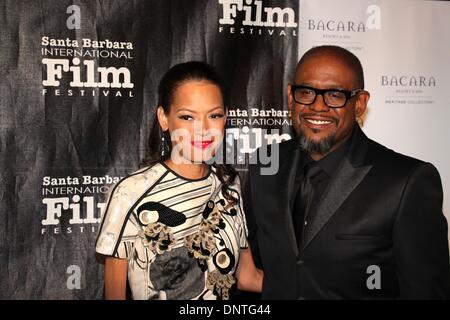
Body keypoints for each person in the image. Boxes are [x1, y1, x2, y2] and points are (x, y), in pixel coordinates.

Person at [244, 45, 450, 299]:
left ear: (360, 103)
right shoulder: (266, 162)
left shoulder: (407, 181)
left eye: (335, 95)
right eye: (306, 92)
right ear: (290, 96)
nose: (318, 106)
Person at [95, 61, 262, 300]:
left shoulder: (228, 187)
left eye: (214, 115)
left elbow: (248, 277)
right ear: (164, 118)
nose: (204, 129)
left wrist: (317, 287)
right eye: (188, 117)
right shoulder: (130, 193)